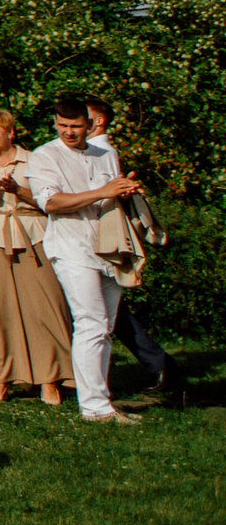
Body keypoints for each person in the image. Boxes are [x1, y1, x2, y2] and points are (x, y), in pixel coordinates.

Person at [25, 97, 143, 424]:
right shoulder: (43, 155)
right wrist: (104, 191)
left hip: (108, 246)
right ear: (55, 123)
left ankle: (100, 401)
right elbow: (51, 202)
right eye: (62, 125)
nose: (69, 132)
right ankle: (93, 408)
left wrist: (124, 190)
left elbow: (109, 197)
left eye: (75, 126)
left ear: (89, 125)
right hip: (70, 247)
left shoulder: (106, 154)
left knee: (104, 327)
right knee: (89, 322)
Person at [0, 106, 68, 404]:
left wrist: (17, 190)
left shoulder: (36, 160)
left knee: (44, 305)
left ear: (10, 132)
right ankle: (2, 378)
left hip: (34, 234)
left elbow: (50, 201)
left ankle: (50, 378)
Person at [86, 99, 182, 404]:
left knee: (107, 313)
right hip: (97, 239)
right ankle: (160, 365)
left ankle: (160, 366)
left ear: (99, 121)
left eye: (85, 118)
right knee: (107, 312)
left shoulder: (102, 151)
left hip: (103, 239)